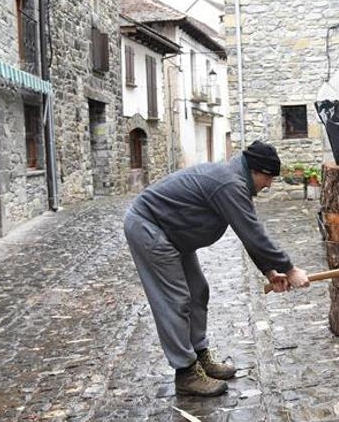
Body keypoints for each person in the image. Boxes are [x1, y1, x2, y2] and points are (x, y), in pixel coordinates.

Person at [123, 140, 310, 397]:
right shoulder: (230, 184)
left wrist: (270, 272)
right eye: (268, 178)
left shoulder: (234, 181)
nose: (269, 185)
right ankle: (186, 372)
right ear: (255, 171)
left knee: (198, 290)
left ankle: (199, 356)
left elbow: (247, 231)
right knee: (175, 299)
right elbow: (254, 234)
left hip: (174, 232)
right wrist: (289, 269)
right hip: (150, 227)